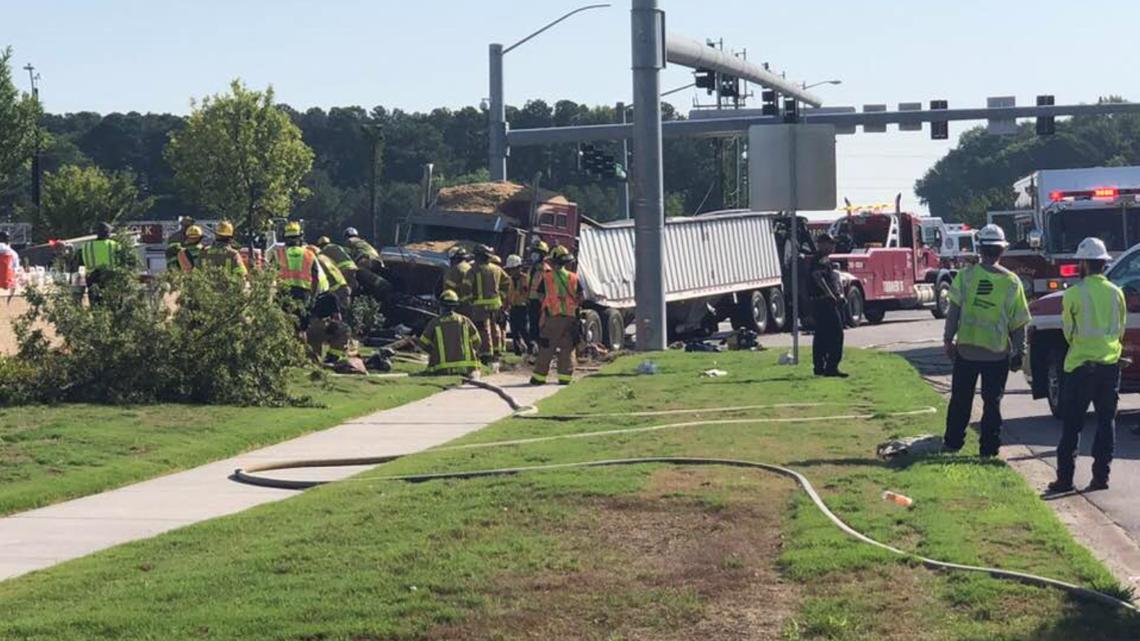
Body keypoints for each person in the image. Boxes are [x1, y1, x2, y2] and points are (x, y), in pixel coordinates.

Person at [942, 224, 1031, 458]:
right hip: (996, 353)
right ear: (1001, 250)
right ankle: (989, 450)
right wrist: (1018, 353)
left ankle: (952, 444)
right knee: (992, 403)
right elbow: (1019, 322)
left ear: (980, 249)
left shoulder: (966, 276)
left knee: (960, 399)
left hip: (967, 350)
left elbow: (953, 311)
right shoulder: (1012, 282)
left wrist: (948, 340)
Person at [1047, 237, 1126, 493]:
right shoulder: (1117, 293)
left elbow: (1068, 332)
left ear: (1083, 263)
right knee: (1106, 422)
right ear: (1104, 264)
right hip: (1110, 366)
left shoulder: (1073, 294)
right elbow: (1120, 329)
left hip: (1080, 367)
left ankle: (1065, 479)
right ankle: (1101, 477)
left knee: (1072, 426)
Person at [530, 245, 583, 385]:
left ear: (553, 261)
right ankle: (565, 378)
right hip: (571, 318)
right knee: (567, 347)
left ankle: (539, 377)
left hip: (553, 316)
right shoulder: (573, 277)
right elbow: (580, 297)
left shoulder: (547, 277)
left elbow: (540, 295)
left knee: (547, 346)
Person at [463, 244, 510, 364]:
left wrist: (468, 300)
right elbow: (507, 281)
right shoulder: (497, 269)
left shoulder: (473, 270)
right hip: (496, 304)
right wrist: (502, 295)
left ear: (478, 256)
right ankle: (497, 350)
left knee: (482, 329)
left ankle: (486, 354)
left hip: (480, 305)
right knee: (495, 327)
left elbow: (466, 286)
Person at [809, 233, 847, 378]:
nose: (833, 246)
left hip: (819, 301)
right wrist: (831, 294)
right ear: (822, 244)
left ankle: (819, 366)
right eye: (830, 243)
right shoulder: (821, 260)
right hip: (825, 301)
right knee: (837, 333)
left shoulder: (821, 259)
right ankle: (831, 367)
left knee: (821, 335)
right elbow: (818, 277)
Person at [418, 289, 481, 375]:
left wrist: (435, 353)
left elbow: (422, 343)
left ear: (441, 306)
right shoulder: (465, 321)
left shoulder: (435, 323)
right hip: (466, 368)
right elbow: (477, 341)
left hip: (442, 369)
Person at [79, 222, 122, 305]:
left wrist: (81, 285)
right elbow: (124, 263)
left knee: (96, 306)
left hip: (92, 279)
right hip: (111, 278)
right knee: (113, 306)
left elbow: (80, 266)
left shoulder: (87, 247)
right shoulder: (115, 245)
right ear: (108, 233)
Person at [343, 227, 390, 302]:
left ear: (346, 236)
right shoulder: (363, 242)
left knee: (358, 272)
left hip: (366, 260)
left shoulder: (349, 241)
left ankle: (382, 284)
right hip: (378, 260)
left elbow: (346, 256)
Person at [309, 244, 351, 312]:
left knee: (337, 312)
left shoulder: (318, 260)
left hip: (336, 289)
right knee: (346, 310)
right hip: (344, 285)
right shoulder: (326, 257)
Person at [505, 254, 530, 355]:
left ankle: (531, 349)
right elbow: (507, 296)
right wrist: (504, 307)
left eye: (514, 269)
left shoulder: (526, 279)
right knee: (514, 331)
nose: (512, 271)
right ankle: (518, 351)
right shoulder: (509, 280)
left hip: (524, 308)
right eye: (510, 269)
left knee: (524, 330)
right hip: (513, 308)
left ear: (519, 268)